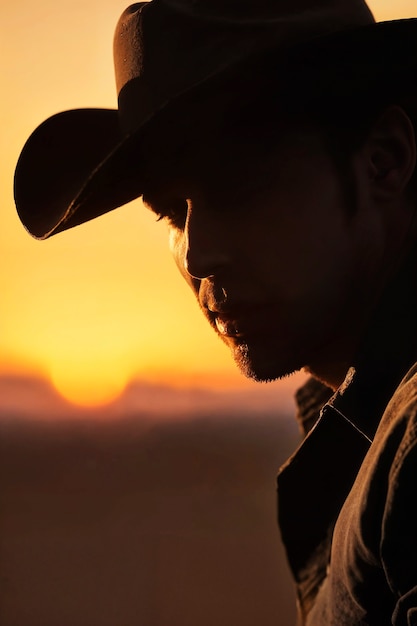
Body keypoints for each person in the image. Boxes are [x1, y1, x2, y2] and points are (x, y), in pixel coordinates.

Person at [13, 0, 417, 623]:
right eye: (174, 213)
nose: (197, 253)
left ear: (383, 161)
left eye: (238, 188)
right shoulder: (363, 420)